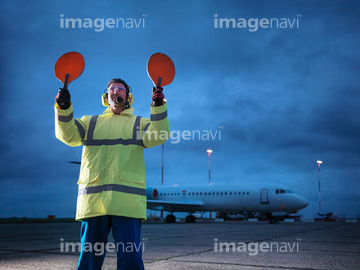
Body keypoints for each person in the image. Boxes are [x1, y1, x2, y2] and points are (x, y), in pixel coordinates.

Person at [54, 78, 169, 269]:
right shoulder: (90, 123)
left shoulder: (139, 124)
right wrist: (63, 107)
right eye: (112, 89)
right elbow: (67, 135)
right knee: (89, 257)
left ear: (128, 96)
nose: (116, 92)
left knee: (130, 258)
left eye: (121, 89)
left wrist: (158, 106)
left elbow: (160, 136)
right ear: (106, 97)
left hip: (126, 205)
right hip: (94, 203)